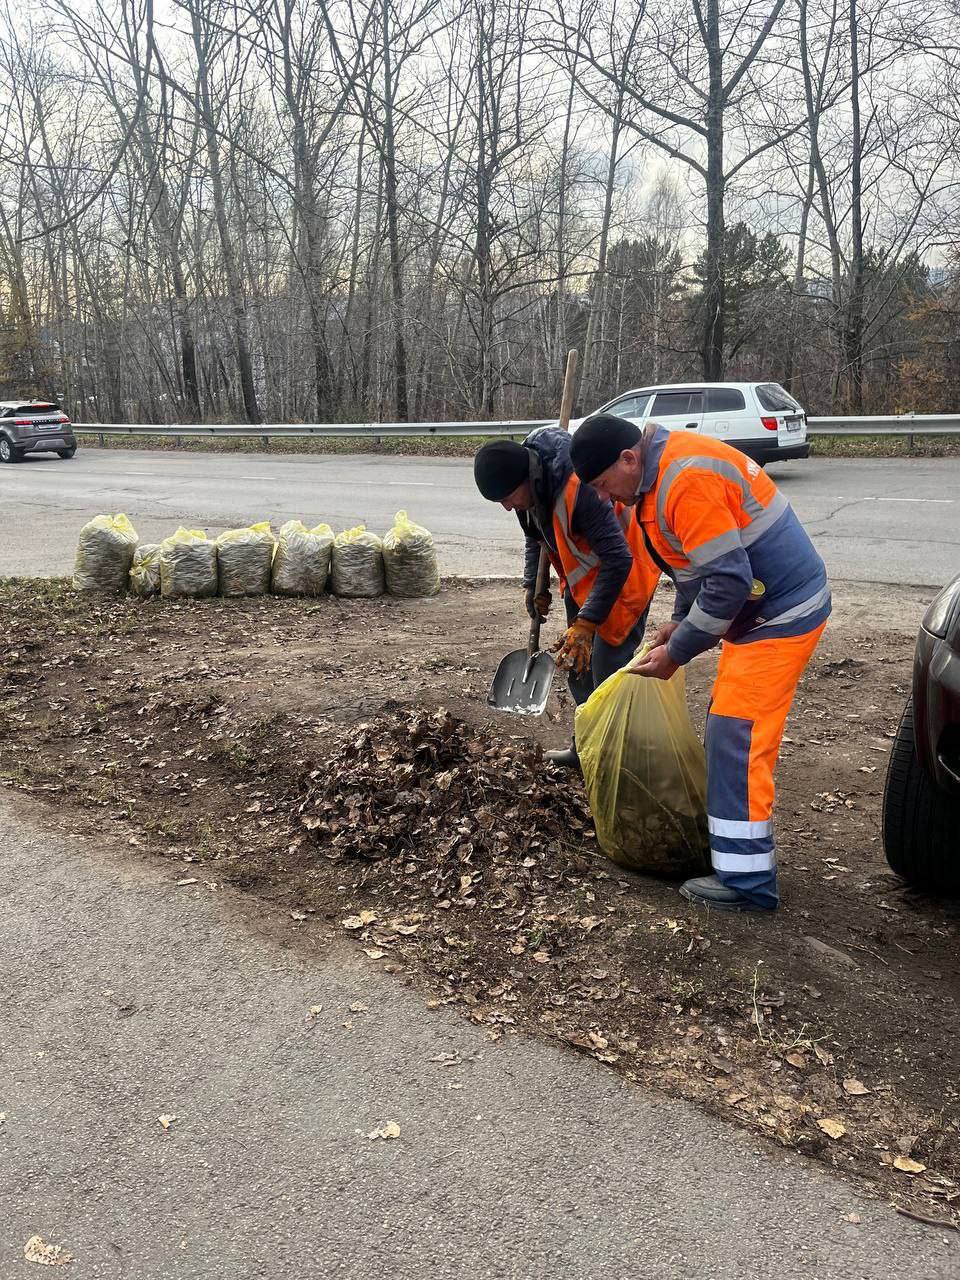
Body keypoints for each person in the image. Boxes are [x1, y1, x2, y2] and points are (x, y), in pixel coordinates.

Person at [570, 415, 831, 913]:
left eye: (604, 485)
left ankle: (747, 883)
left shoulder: (685, 478)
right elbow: (693, 564)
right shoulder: (651, 479)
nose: (605, 498)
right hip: (756, 611)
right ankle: (736, 855)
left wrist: (678, 651)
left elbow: (730, 581)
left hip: (781, 611)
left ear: (628, 458)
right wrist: (678, 622)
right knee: (727, 729)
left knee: (737, 734)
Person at [474, 428, 660, 766]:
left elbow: (619, 559)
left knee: (607, 677)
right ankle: (585, 749)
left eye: (508, 498)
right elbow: (536, 535)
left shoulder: (580, 489)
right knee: (577, 667)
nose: (506, 507)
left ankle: (617, 764)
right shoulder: (527, 486)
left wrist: (587, 623)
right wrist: (533, 584)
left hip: (623, 582)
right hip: (584, 582)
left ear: (525, 478)